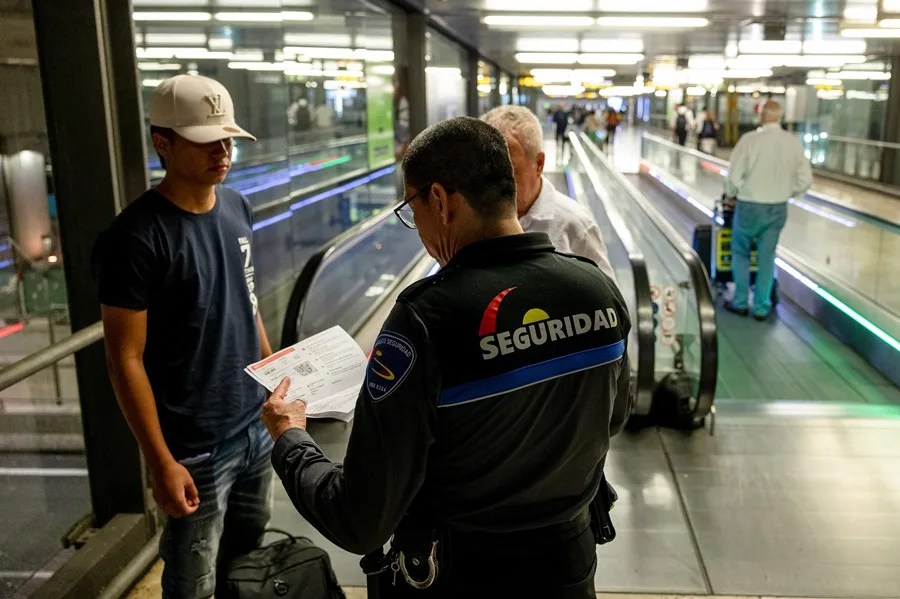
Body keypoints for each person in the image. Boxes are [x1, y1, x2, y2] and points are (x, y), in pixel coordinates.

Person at [261, 116, 632, 598]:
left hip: (459, 574)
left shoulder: (425, 320)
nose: (416, 226)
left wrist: (291, 438)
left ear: (439, 200)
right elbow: (613, 416)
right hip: (569, 565)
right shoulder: (597, 288)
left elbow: (360, 518)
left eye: (411, 208)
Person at [92, 74, 274, 598]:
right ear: (162, 144)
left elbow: (248, 303)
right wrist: (160, 462)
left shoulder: (237, 207)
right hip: (195, 448)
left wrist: (275, 381)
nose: (222, 152)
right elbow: (124, 359)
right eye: (205, 141)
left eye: (228, 139)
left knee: (247, 561)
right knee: (193, 581)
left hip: (254, 426)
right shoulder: (134, 238)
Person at [481, 105, 617, 282]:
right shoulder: (472, 217)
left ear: (539, 164)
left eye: (508, 171)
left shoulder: (575, 226)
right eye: (485, 171)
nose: (492, 184)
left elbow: (607, 293)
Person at [723, 100, 812, 320]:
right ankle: (762, 306)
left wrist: (731, 194)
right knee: (767, 256)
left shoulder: (749, 140)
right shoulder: (793, 143)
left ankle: (740, 302)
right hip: (777, 207)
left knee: (741, 253)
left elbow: (733, 176)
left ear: (762, 116)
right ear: (780, 117)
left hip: (749, 205)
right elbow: (805, 180)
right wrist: (787, 192)